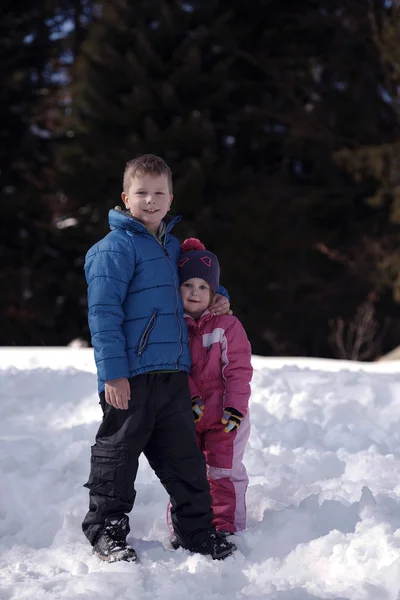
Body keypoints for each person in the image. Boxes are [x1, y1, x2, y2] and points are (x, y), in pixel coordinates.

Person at [82, 154, 236, 562]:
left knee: (185, 460)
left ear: (171, 199)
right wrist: (113, 374)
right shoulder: (112, 249)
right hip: (129, 377)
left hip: (173, 377)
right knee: (118, 457)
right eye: (141, 193)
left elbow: (197, 285)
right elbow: (103, 314)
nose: (150, 200)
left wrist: (220, 299)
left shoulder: (173, 248)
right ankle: (106, 530)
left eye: (159, 193)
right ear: (125, 198)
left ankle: (197, 531)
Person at [177, 238, 253, 534]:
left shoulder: (227, 327)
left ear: (214, 293)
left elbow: (238, 368)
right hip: (188, 415)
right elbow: (175, 368)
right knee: (186, 472)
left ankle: (225, 527)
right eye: (188, 285)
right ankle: (185, 527)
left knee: (223, 472)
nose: (195, 292)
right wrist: (189, 398)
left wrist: (235, 407)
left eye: (203, 287)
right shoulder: (172, 327)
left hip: (226, 416)